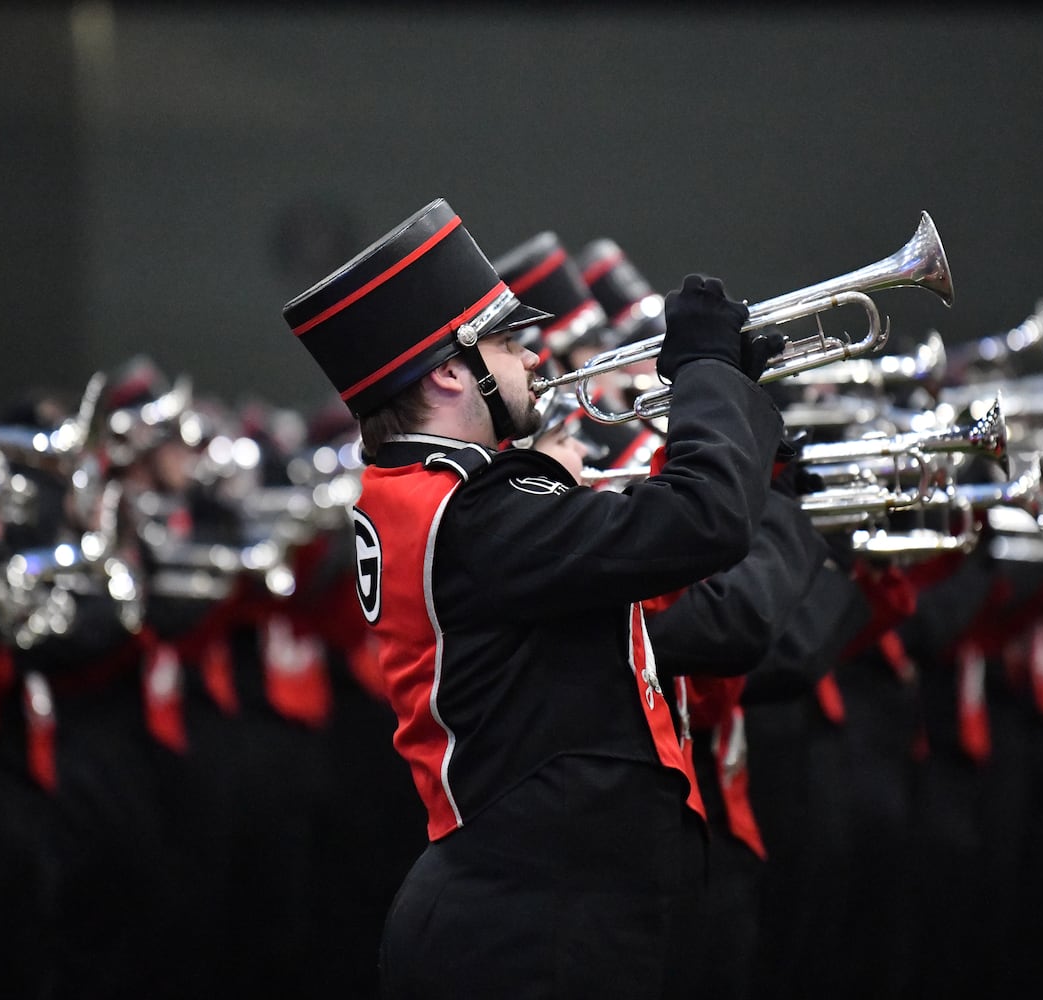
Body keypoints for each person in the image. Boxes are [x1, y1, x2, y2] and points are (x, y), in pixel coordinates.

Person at [282, 197, 783, 999]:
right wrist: (708, 373)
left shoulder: (451, 497)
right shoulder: (476, 513)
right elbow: (706, 521)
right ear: (450, 370)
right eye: (510, 342)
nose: (534, 361)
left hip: (542, 910)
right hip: (533, 927)